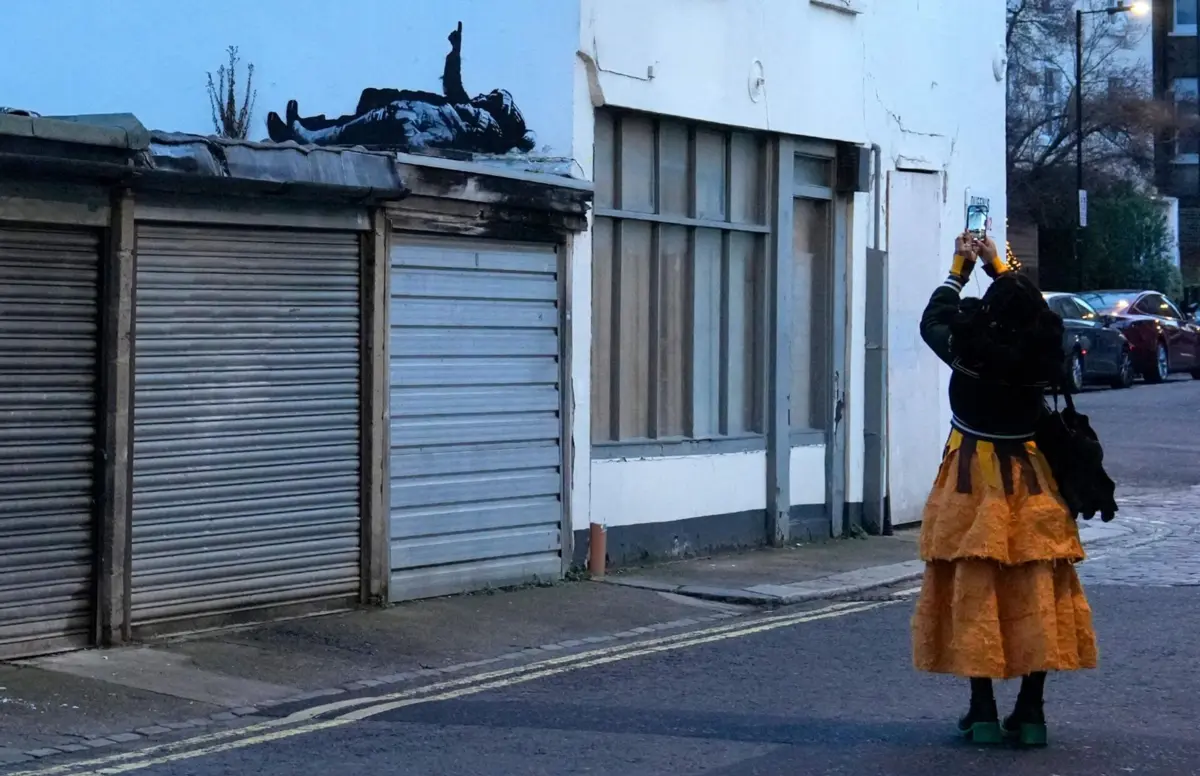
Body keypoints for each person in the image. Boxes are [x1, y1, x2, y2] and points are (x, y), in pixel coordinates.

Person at [910, 232, 1098, 748]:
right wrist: (1000, 261)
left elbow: (933, 319)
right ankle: (1032, 713)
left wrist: (959, 268)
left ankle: (983, 711)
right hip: (1033, 480)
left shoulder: (968, 351)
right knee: (1038, 592)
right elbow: (1032, 307)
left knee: (977, 591)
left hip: (973, 480)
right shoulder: (1043, 350)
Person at [266, 22, 536, 155]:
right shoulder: (473, 114)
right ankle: (300, 129)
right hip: (407, 112)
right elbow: (455, 91)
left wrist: (410, 131)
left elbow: (441, 136)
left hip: (407, 120)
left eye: (492, 98)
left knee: (350, 129)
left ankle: (298, 134)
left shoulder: (480, 125)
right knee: (358, 113)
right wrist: (455, 52)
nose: (485, 96)